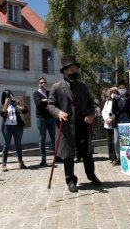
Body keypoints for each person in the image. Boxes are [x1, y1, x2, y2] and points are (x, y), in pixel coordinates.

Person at [47, 54, 101, 192]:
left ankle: (92, 176)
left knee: (87, 153)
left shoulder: (83, 86)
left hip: (83, 125)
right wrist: (58, 112)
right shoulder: (56, 87)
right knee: (68, 155)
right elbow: (50, 105)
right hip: (67, 127)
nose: (74, 71)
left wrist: (91, 114)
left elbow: (90, 103)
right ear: (64, 71)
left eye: (75, 69)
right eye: (70, 69)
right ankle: (70, 180)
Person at [0, 89, 28, 171]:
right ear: (4, 97)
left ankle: (20, 163)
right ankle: (4, 164)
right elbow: (2, 114)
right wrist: (5, 104)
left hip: (18, 127)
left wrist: (21, 105)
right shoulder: (3, 105)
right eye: (6, 96)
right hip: (7, 127)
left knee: (18, 144)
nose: (8, 97)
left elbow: (25, 111)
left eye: (9, 95)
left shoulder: (16, 104)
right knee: (6, 145)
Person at [33, 77, 56, 166]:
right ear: (38, 84)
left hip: (51, 118)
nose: (43, 84)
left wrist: (46, 101)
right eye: (41, 83)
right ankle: (43, 158)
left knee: (54, 138)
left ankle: (57, 156)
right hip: (41, 118)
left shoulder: (49, 92)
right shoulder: (36, 93)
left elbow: (53, 102)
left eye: (44, 82)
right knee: (42, 139)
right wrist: (47, 101)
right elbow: (38, 103)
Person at [111, 81, 130, 165]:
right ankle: (118, 157)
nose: (121, 89)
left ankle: (129, 157)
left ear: (126, 88)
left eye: (123, 88)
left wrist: (123, 110)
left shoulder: (129, 96)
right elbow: (113, 110)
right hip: (118, 120)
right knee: (116, 141)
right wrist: (117, 112)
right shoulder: (115, 98)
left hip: (127, 119)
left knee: (128, 139)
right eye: (120, 88)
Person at [101, 86, 118, 163]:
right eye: (112, 92)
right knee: (109, 141)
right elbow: (103, 111)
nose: (113, 94)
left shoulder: (117, 101)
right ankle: (111, 157)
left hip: (114, 123)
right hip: (107, 124)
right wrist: (106, 119)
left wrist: (112, 118)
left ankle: (116, 156)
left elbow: (117, 112)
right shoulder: (107, 102)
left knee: (115, 141)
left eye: (115, 92)